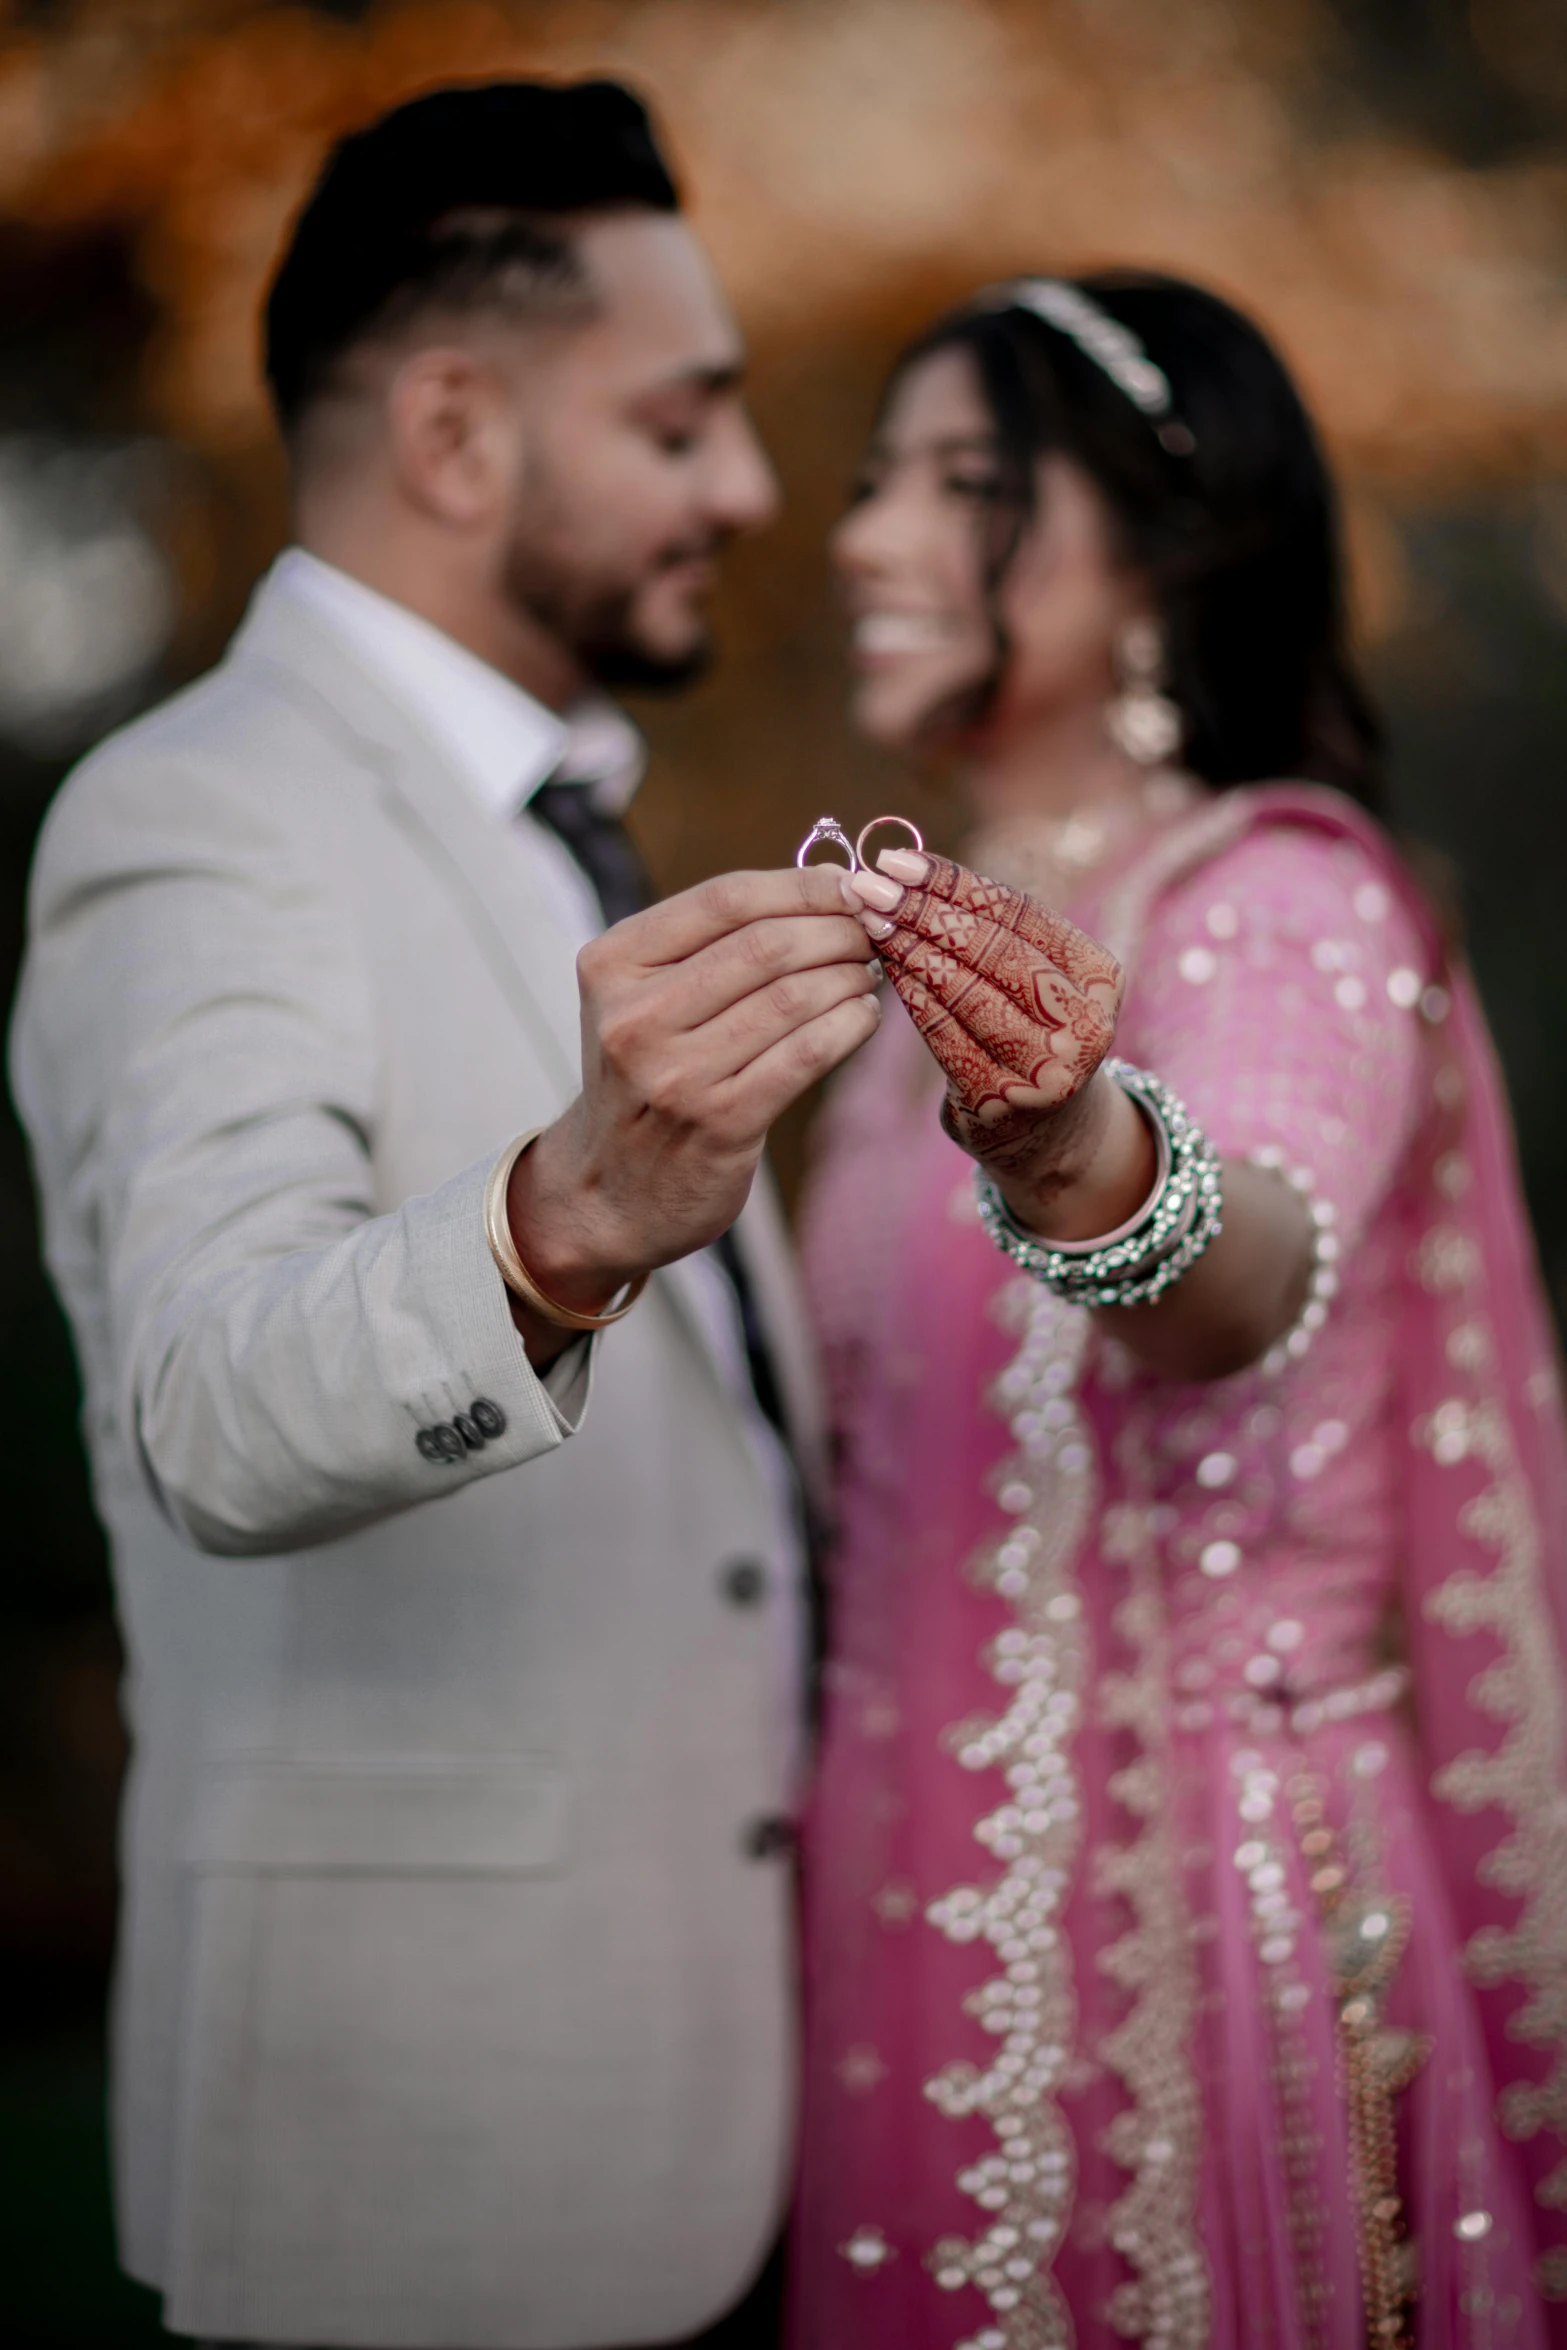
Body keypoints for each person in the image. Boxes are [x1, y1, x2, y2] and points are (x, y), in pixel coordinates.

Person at [9, 79, 880, 2350]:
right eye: (684, 421)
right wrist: (562, 1218)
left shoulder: (571, 816)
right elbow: (206, 1397)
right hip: (430, 2162)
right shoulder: (198, 812)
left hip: (727, 2112)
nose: (749, 489)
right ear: (461, 433)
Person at [789, 271, 1567, 2347]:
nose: (864, 537)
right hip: (893, 1893)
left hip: (1188, 1936)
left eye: (962, 485)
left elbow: (1252, 1278)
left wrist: (1075, 1155)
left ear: (1166, 548)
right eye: (875, 483)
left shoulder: (1282, 900)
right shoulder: (906, 994)